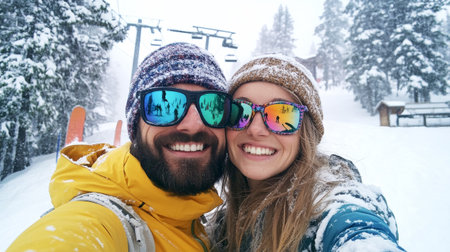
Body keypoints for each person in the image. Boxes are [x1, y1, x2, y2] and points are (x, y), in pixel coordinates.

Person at [7, 42, 232, 252]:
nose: (193, 124)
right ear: (135, 128)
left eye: (213, 107)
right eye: (164, 105)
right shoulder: (96, 221)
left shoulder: (201, 221)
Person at [208, 54, 405, 252]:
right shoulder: (219, 228)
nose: (255, 129)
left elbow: (358, 235)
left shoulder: (328, 207)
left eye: (282, 114)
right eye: (240, 111)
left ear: (306, 133)